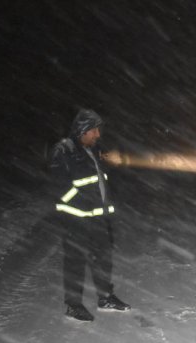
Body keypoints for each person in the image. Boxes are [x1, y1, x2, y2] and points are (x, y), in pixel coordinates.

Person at [49, 109, 130, 322]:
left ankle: (105, 298)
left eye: (98, 130)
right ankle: (73, 305)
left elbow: (99, 181)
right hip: (77, 218)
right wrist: (83, 200)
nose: (97, 135)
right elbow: (60, 188)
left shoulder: (92, 150)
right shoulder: (64, 150)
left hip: (98, 217)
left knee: (103, 259)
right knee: (75, 261)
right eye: (93, 131)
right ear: (81, 130)